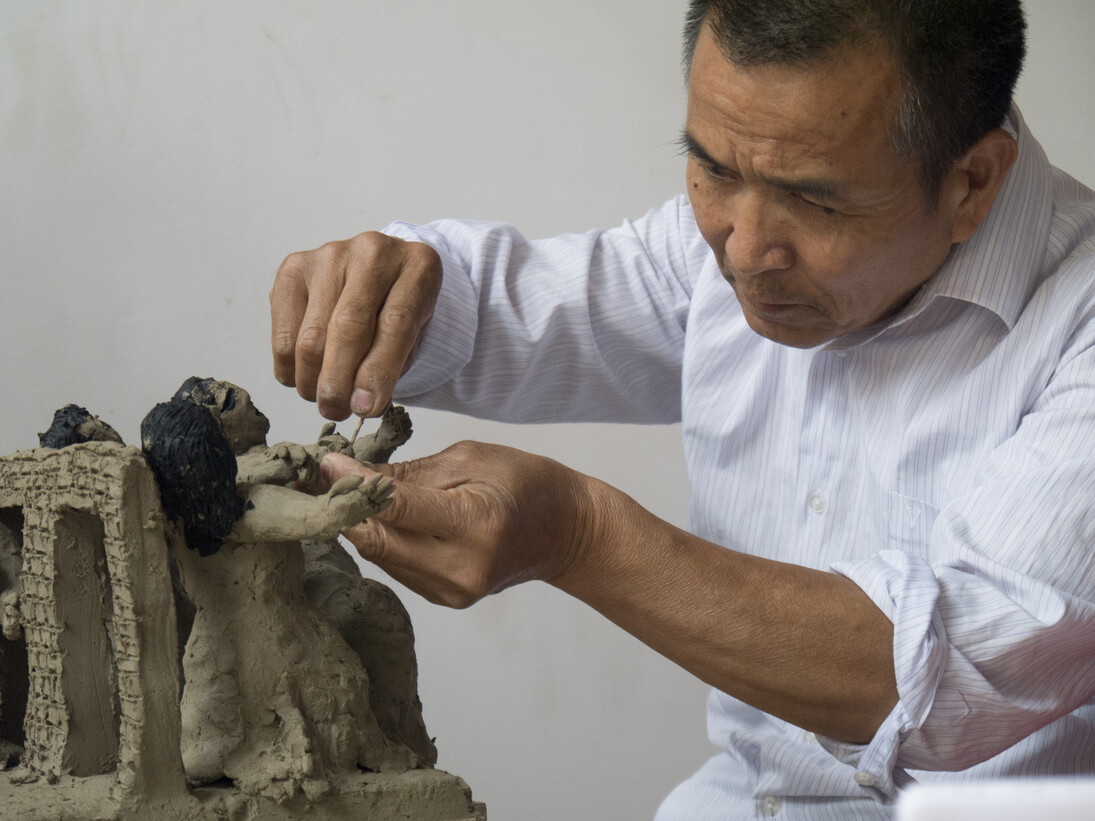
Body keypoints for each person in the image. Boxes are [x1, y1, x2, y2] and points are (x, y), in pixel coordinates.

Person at [267, 0, 1095, 817]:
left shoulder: (1078, 322)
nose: (743, 251)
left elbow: (934, 681)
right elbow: (517, 311)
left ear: (971, 183)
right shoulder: (723, 252)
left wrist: (579, 535)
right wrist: (390, 294)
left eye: (816, 203)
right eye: (714, 170)